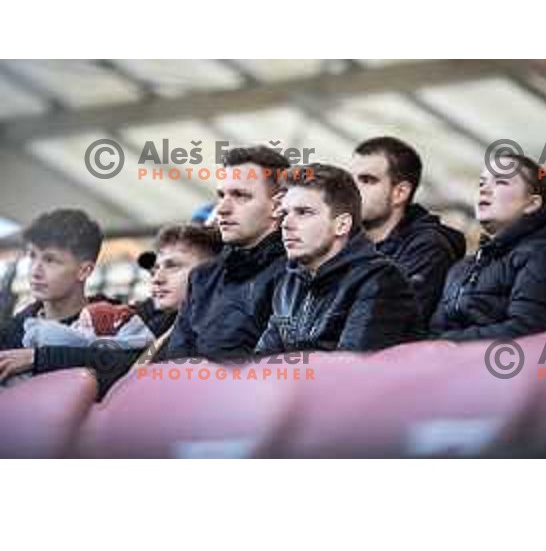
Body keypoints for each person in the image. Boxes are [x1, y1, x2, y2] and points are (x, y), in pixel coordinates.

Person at [0, 224, 221, 394]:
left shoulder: (214, 329)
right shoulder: (153, 321)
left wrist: (39, 358)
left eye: (173, 266)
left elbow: (121, 365)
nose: (157, 278)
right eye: (155, 269)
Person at [256, 163, 422, 354]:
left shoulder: (380, 281)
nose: (286, 224)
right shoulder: (290, 282)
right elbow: (261, 360)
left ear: (342, 225)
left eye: (303, 212)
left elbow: (349, 372)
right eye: (285, 213)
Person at [430, 154, 546, 340]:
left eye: (501, 182)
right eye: (481, 183)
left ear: (532, 204)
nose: (484, 190)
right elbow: (435, 332)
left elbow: (528, 333)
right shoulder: (462, 268)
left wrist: (446, 343)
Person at [167, 146, 290, 360]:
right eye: (221, 195)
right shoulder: (202, 277)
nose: (222, 208)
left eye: (240, 195)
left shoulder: (297, 274)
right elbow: (174, 362)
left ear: (278, 205)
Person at [351, 136, 466, 322]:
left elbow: (389, 323)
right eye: (350, 179)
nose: (352, 189)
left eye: (367, 180)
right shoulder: (346, 244)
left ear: (400, 193)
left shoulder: (427, 249)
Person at [0, 208, 104, 352]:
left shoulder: (117, 329)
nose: (35, 271)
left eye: (50, 260)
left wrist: (38, 359)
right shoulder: (12, 333)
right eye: (32, 256)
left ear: (84, 271)